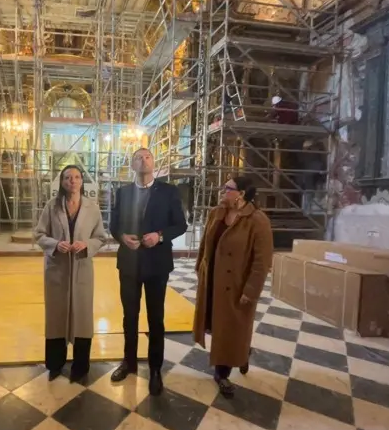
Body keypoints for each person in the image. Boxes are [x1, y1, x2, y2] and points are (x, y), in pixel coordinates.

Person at [109, 148, 187, 396]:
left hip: (156, 264)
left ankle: (155, 369)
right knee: (129, 316)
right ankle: (129, 362)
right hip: (129, 263)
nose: (143, 161)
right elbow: (113, 225)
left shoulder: (169, 191)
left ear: (153, 163)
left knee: (156, 318)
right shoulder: (122, 192)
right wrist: (122, 237)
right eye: (138, 158)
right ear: (132, 165)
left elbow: (181, 225)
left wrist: (160, 236)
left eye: (147, 157)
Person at [192, 176, 273, 398]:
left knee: (230, 328)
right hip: (212, 281)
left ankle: (222, 374)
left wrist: (251, 290)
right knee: (217, 324)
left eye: (228, 188)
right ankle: (241, 353)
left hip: (236, 285)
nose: (222, 190)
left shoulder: (257, 221)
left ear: (241, 194)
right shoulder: (216, 213)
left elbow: (262, 261)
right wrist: (200, 267)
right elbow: (205, 244)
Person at [34, 165, 107, 382]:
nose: (72, 181)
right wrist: (55, 244)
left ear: (82, 181)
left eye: (76, 177)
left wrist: (86, 245)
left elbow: (100, 237)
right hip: (57, 270)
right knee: (56, 317)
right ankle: (55, 365)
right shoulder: (52, 206)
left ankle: (80, 367)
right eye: (67, 177)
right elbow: (39, 234)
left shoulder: (92, 208)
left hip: (82, 269)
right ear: (62, 182)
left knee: (82, 317)